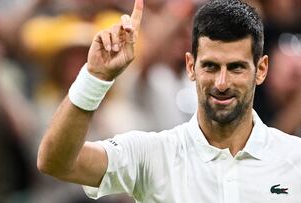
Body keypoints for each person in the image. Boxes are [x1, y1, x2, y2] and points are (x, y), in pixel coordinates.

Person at [37, 0, 301, 202]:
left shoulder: (295, 157)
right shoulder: (153, 153)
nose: (221, 83)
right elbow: (55, 162)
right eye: (210, 66)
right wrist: (95, 78)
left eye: (236, 68)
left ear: (261, 70)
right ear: (190, 66)